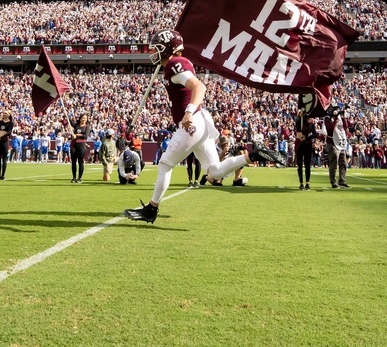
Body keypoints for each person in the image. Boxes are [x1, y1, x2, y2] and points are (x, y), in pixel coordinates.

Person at [124, 29, 283, 223]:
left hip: (192, 123)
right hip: (200, 121)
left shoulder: (175, 63)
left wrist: (189, 111)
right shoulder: (175, 64)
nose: (152, 53)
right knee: (214, 171)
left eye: (157, 48)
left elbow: (199, 87)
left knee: (165, 164)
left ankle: (151, 209)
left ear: (167, 49)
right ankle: (253, 155)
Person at [323, 106, 351, 189]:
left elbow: (345, 127)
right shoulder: (327, 118)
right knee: (334, 162)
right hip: (332, 143)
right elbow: (331, 128)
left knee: (343, 162)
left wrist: (343, 117)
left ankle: (342, 180)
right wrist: (335, 118)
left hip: (341, 142)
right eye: (336, 110)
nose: (337, 112)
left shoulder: (339, 117)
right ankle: (333, 181)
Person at [295, 110, 317, 190]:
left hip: (308, 144)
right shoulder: (299, 122)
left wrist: (307, 137)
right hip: (300, 145)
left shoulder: (311, 125)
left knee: (307, 165)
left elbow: (315, 134)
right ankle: (301, 183)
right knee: (299, 165)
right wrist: (299, 116)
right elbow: (297, 126)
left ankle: (307, 183)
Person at [0, 110, 13, 180]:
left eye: (6, 113)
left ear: (9, 115)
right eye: (3, 113)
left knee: (4, 159)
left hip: (4, 141)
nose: (4, 114)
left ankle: (3, 175)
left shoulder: (10, 123)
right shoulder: (0, 122)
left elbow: (9, 132)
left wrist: (1, 137)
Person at [70, 112, 91, 183]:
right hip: (74, 144)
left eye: (86, 118)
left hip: (81, 144)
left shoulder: (87, 127)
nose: (84, 119)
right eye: (83, 118)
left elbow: (86, 136)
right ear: (80, 118)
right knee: (73, 161)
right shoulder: (76, 125)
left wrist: (77, 135)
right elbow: (68, 120)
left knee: (80, 161)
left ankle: (79, 178)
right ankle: (74, 177)